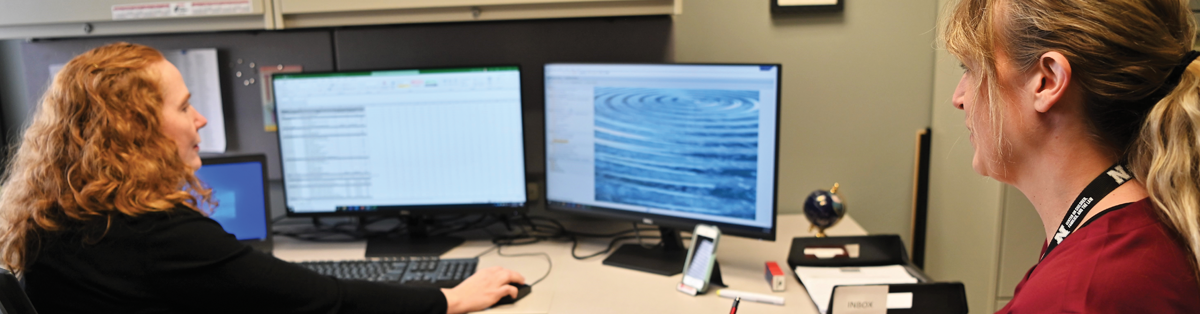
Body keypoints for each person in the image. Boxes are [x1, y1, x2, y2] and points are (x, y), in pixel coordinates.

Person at [0, 42, 524, 314]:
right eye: (185, 106)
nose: (199, 119)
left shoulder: (65, 211)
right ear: (135, 129)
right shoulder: (154, 235)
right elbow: (324, 301)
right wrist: (450, 297)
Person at [943, 0, 1200, 312]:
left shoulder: (1079, 294)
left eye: (969, 69)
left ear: (1047, 81)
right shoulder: (1133, 229)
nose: (958, 98)